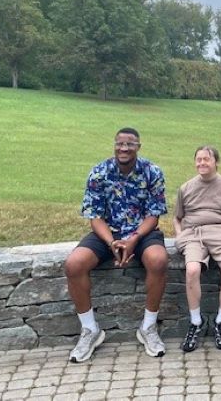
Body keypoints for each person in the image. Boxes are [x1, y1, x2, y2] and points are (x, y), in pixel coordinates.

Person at [64, 127, 169, 363]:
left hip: (143, 232)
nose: (124, 148)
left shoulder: (152, 172)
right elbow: (95, 216)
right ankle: (90, 330)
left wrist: (133, 239)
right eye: (120, 143)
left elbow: (154, 215)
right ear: (114, 145)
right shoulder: (99, 173)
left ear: (138, 147)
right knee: (74, 264)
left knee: (159, 260)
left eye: (130, 144)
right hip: (106, 234)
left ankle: (148, 328)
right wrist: (112, 242)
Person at [173, 146, 221, 352]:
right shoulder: (186, 188)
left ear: (216, 162)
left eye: (207, 159)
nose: (202, 163)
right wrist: (180, 235)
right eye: (199, 159)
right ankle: (196, 322)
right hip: (194, 233)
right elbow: (177, 218)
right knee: (192, 269)